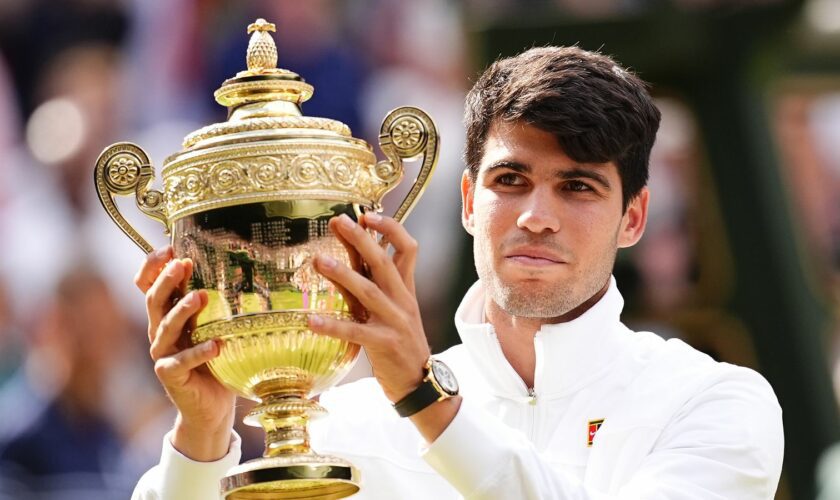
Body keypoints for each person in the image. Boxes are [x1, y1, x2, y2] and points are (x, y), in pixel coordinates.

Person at [132, 46, 784, 499]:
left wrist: (425, 400)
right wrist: (202, 436)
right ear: (470, 202)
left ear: (634, 218)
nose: (536, 216)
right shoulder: (345, 430)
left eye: (578, 188)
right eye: (511, 180)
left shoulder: (714, 402)